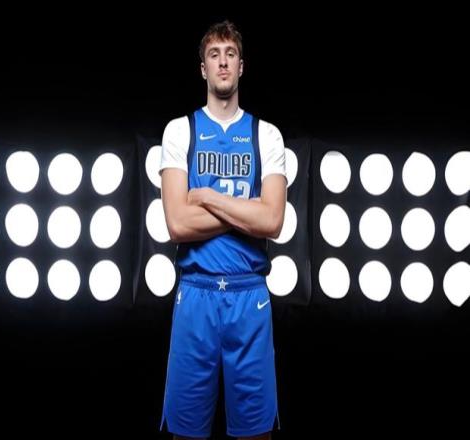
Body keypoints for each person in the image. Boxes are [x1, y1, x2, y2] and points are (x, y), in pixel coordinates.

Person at [158, 20, 287, 440]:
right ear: (203, 69)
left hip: (250, 296)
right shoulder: (180, 130)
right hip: (195, 293)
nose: (223, 62)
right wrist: (248, 210)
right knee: (185, 431)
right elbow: (178, 223)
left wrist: (206, 197)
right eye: (214, 55)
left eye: (230, 54)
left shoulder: (267, 135)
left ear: (242, 66)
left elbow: (273, 222)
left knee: (255, 432)